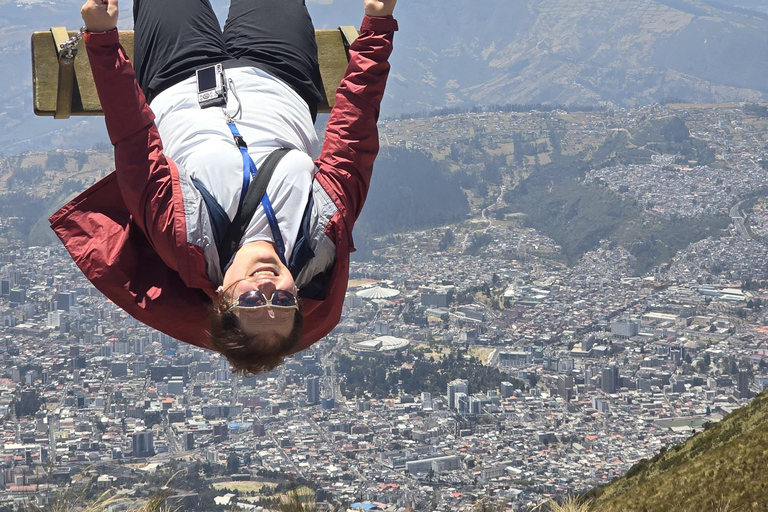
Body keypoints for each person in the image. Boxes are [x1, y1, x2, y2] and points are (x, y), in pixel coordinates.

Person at [49, 0, 398, 373]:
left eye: (250, 304)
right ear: (297, 297)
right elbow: (354, 134)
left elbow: (135, 141)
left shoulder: (183, 238)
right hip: (281, 73)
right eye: (282, 302)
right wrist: (378, 24)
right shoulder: (322, 231)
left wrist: (103, 39)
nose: (268, 290)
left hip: (176, 77)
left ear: (220, 300)